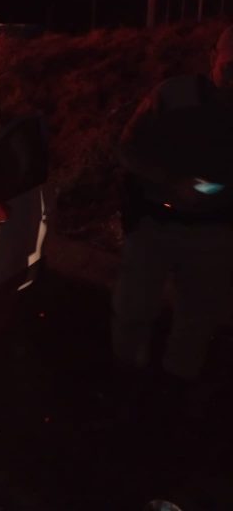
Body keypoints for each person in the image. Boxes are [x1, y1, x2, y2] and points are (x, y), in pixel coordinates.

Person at [112, 25, 233, 398]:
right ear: (213, 57)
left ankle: (178, 386)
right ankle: (126, 376)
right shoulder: (173, 94)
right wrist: (170, 181)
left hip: (215, 230)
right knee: (134, 306)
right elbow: (128, 149)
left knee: (198, 313)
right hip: (155, 223)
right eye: (231, 66)